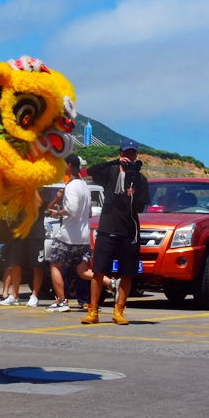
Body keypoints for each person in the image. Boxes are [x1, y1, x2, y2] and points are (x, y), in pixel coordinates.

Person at [82, 139, 150, 326]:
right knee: (98, 270)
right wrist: (114, 162)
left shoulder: (140, 179)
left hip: (129, 231)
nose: (129, 156)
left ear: (136, 155)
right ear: (121, 153)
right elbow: (91, 171)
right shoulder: (111, 172)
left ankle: (119, 311)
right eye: (126, 152)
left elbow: (140, 207)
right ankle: (93, 311)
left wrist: (133, 194)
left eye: (132, 153)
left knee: (127, 273)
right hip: (108, 228)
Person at [45, 154, 94, 312]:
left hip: (68, 236)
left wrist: (58, 213)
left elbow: (71, 209)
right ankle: (111, 282)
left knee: (55, 266)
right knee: (82, 271)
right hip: (83, 237)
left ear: (69, 166)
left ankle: (61, 302)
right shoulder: (85, 186)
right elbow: (89, 212)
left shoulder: (71, 186)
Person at [1, 195, 49, 307]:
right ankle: (14, 295)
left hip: (36, 233)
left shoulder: (43, 190)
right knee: (15, 264)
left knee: (37, 266)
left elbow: (38, 204)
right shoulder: (22, 190)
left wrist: (33, 188)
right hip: (20, 231)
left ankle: (34, 296)